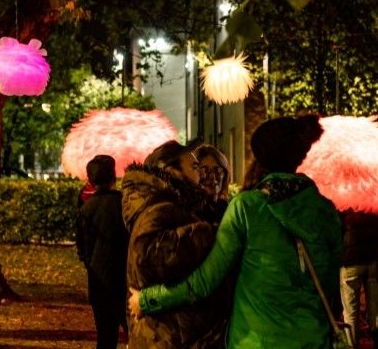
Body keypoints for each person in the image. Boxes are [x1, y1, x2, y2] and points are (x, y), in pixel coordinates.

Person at [129, 115, 343, 349]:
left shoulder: (246, 207)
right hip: (313, 338)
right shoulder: (326, 210)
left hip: (254, 340)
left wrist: (148, 300)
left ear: (260, 156)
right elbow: (330, 286)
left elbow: (204, 281)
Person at [121, 140, 227, 349]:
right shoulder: (161, 207)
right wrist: (210, 232)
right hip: (167, 337)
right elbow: (148, 255)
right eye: (196, 167)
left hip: (170, 334)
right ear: (172, 170)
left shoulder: (172, 205)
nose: (204, 175)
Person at [76, 155, 128, 349]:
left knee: (106, 338)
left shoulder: (85, 210)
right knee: (135, 334)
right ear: (114, 177)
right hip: (124, 282)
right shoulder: (124, 205)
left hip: (98, 285)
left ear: (90, 179)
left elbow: (81, 250)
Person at [339, 209, 378, 347]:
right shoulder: (376, 199)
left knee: (350, 311)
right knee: (375, 307)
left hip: (349, 260)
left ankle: (352, 345)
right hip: (372, 258)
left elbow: (337, 230)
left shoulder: (343, 199)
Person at [193, 144, 231, 224]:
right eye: (205, 170)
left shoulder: (226, 209)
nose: (212, 176)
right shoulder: (191, 214)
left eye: (217, 169)